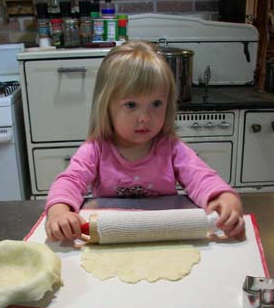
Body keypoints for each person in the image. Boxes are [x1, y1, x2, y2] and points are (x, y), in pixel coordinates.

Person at [45, 40, 245, 242]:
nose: (145, 117)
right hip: (111, 235)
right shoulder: (95, 149)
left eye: (156, 104)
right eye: (131, 105)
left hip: (163, 234)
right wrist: (59, 211)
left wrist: (222, 198)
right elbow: (70, 181)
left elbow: (201, 177)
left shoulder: (172, 149)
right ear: (106, 107)